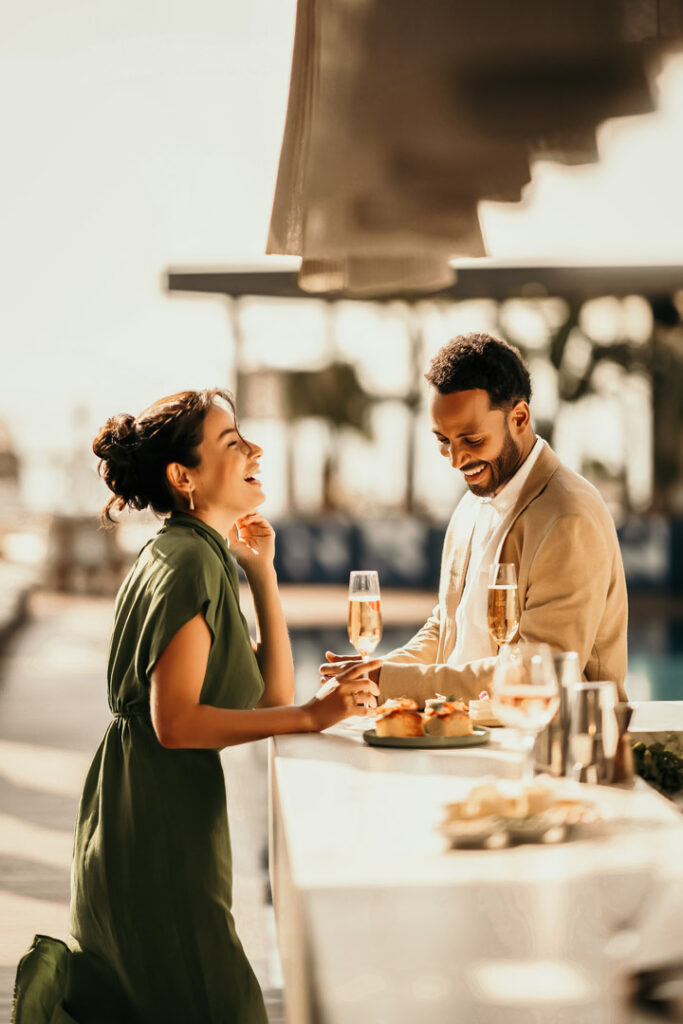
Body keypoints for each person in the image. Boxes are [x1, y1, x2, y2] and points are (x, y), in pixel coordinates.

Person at [12, 388, 379, 1024]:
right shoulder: (187, 562)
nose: (255, 449)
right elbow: (177, 723)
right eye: (233, 442)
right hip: (157, 826)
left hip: (143, 810)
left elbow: (272, 695)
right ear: (184, 477)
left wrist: (261, 572)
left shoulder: (190, 551)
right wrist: (315, 719)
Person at [322, 332, 628, 706]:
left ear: (519, 417)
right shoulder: (470, 507)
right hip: (462, 737)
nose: (456, 459)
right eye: (443, 441)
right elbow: (446, 628)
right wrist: (373, 676)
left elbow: (540, 673)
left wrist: (390, 680)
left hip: (545, 748)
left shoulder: (569, 516)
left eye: (472, 440)